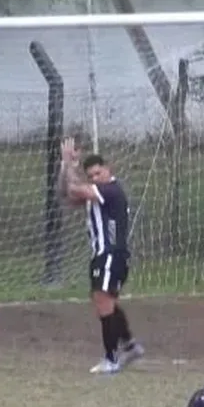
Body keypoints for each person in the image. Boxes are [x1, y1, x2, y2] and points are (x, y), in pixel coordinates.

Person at [58, 136, 144, 374]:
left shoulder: (111, 190)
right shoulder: (96, 195)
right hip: (104, 255)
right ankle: (129, 345)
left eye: (98, 173)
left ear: (108, 170)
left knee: (103, 302)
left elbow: (75, 188)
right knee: (105, 302)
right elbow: (65, 194)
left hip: (111, 253)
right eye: (92, 176)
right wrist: (66, 167)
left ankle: (111, 357)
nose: (95, 178)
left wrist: (69, 165)